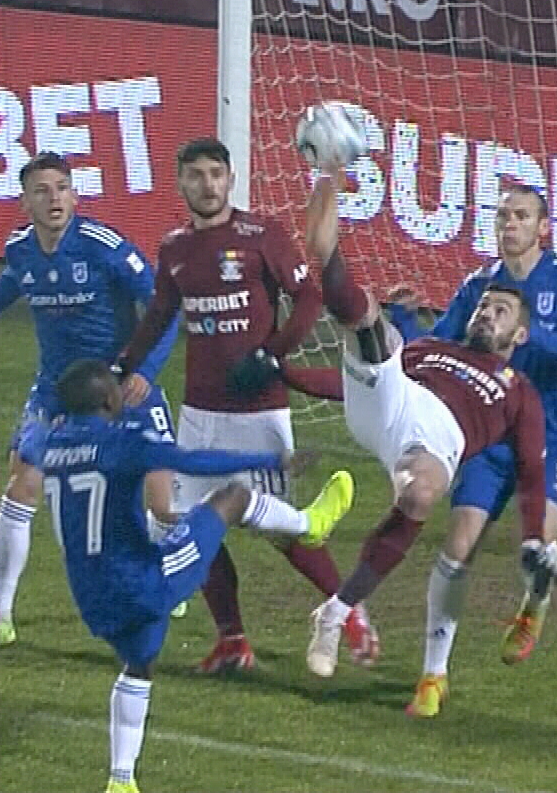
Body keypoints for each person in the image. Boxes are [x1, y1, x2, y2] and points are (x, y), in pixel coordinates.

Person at [20, 358, 355, 793]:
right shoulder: (120, 441)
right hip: (143, 580)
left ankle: (121, 781)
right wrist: (272, 459)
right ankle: (310, 525)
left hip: (91, 594)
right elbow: (190, 459)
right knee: (231, 498)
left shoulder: (50, 443)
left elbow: (30, 444)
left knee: (139, 664)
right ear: (108, 399)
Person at [117, 138, 378, 674]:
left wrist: (271, 354)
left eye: (216, 173)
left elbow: (308, 298)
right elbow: (160, 315)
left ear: (230, 178)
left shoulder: (263, 236)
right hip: (200, 413)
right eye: (196, 175)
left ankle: (350, 612)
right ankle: (232, 638)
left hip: (259, 408)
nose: (208, 184)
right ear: (181, 183)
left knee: (281, 532)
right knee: (190, 525)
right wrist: (127, 368)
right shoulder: (174, 249)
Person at [298, 162, 552, 684]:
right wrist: (283, 376)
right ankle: (326, 203)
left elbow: (529, 470)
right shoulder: (433, 348)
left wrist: (533, 538)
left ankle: (336, 612)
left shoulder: (518, 391)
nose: (486, 314)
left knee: (420, 496)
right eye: (485, 306)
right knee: (366, 317)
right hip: (393, 399)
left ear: (519, 337)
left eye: (501, 312)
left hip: (433, 441)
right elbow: (355, 382)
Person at [383, 183, 557, 717]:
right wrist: (403, 322)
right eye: (503, 215)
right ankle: (433, 675)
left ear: (542, 227)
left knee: (540, 539)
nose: (509, 224)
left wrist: (533, 338)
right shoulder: (481, 286)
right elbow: (444, 345)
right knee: (458, 545)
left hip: (552, 437)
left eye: (521, 216)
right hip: (489, 436)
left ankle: (534, 605)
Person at [0, 151, 179, 650]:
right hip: (56, 393)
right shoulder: (20, 248)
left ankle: (167, 579)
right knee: (22, 484)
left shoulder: (103, 246)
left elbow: (163, 305)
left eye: (62, 188)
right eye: (42, 190)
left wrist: (142, 369)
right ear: (25, 202)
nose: (54, 198)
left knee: (162, 503)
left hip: (119, 389)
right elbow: (13, 280)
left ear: (75, 195)